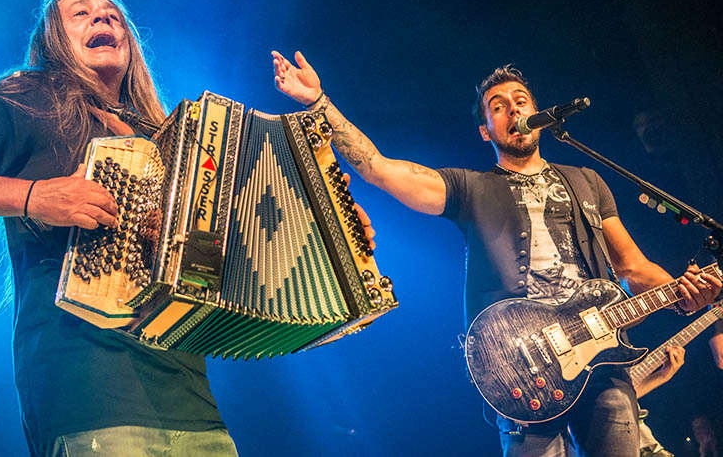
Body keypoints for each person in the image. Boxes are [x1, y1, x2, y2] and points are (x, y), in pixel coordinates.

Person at [270, 50, 722, 456]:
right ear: (485, 129)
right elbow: (380, 169)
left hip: (601, 360)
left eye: (521, 100)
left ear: (539, 112)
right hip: (522, 365)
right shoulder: (472, 187)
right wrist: (318, 103)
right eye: (499, 106)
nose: (514, 109)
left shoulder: (587, 180)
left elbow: (633, 268)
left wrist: (687, 294)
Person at [0, 0, 239, 456]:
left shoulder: (171, 142)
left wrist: (316, 237)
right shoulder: (28, 96)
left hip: (192, 400)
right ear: (54, 39)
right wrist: (35, 196)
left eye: (114, 16)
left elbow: (219, 260)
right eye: (82, 14)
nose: (103, 20)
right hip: (87, 390)